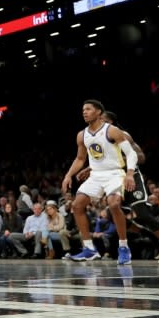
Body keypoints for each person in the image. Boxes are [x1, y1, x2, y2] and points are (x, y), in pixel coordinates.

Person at [77, 110, 159, 264]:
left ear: (110, 122)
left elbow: (141, 157)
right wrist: (91, 168)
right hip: (113, 179)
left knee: (142, 214)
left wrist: (121, 162)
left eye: (102, 119)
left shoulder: (123, 135)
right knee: (113, 214)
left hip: (131, 177)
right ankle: (153, 236)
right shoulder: (97, 138)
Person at [61, 99, 137, 265]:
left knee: (114, 204)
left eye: (88, 109)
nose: (84, 112)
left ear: (98, 112)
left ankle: (123, 247)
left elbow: (131, 154)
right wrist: (68, 175)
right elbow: (80, 158)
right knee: (77, 205)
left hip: (115, 173)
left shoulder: (112, 130)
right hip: (96, 175)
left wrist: (129, 174)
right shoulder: (82, 135)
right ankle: (89, 249)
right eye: (83, 110)